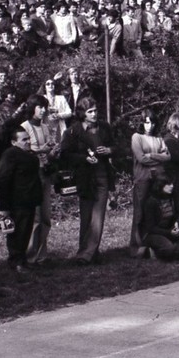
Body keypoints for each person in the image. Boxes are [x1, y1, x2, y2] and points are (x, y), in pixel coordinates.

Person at [60, 97, 116, 265]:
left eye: (95, 110)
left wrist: (108, 150)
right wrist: (84, 158)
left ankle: (86, 255)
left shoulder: (104, 127)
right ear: (82, 113)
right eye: (90, 111)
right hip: (85, 178)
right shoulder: (73, 131)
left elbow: (117, 147)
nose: (94, 114)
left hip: (102, 176)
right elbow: (65, 155)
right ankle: (89, 253)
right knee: (86, 216)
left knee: (98, 217)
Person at [0, 126, 42, 275]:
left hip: (29, 201)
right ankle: (16, 262)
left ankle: (22, 261)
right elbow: (3, 180)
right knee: (17, 234)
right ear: (13, 142)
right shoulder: (10, 155)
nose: (28, 142)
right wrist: (3, 206)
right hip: (17, 202)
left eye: (28, 138)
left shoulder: (28, 154)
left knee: (25, 232)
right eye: (24, 140)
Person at [21, 94, 59, 267]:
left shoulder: (45, 127)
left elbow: (48, 154)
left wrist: (53, 152)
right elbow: (22, 153)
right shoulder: (24, 127)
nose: (43, 110)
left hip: (45, 174)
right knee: (34, 217)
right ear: (32, 108)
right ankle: (29, 256)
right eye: (40, 107)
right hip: (31, 176)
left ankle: (42, 255)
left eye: (45, 107)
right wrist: (39, 151)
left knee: (46, 216)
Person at [129, 109, 170, 258]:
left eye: (152, 122)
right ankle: (137, 247)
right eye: (147, 122)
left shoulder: (159, 138)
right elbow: (141, 158)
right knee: (140, 213)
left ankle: (154, 244)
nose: (150, 125)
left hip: (158, 179)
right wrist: (159, 157)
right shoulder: (137, 137)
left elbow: (168, 157)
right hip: (143, 179)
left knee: (157, 212)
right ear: (142, 123)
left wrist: (152, 155)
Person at [141, 176, 179, 262]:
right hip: (155, 234)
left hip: (170, 229)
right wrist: (169, 233)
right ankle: (151, 251)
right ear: (160, 186)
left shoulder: (172, 196)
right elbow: (151, 228)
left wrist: (177, 223)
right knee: (169, 250)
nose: (172, 186)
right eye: (168, 184)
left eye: (172, 183)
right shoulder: (151, 202)